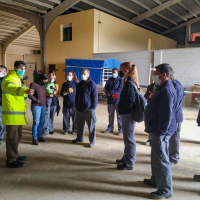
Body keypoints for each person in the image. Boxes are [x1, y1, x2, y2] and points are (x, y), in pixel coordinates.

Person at [143, 63, 177, 199]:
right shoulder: (161, 87)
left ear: (163, 75)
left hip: (161, 131)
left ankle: (165, 189)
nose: (154, 75)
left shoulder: (167, 90)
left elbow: (167, 115)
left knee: (162, 159)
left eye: (156, 73)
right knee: (156, 156)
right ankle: (156, 179)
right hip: (156, 129)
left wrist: (161, 133)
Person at [2, 60, 34, 168]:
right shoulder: (9, 79)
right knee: (12, 137)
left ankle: (15, 154)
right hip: (12, 114)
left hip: (18, 114)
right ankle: (11, 160)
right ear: (15, 68)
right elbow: (11, 89)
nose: (23, 70)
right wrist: (23, 91)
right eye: (21, 68)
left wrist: (26, 90)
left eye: (24, 69)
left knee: (17, 136)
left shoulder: (18, 80)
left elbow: (21, 88)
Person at [116, 62, 139, 170]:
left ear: (126, 70)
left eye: (121, 70)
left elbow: (130, 101)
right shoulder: (128, 81)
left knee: (129, 139)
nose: (119, 72)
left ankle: (129, 162)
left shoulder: (130, 83)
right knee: (127, 137)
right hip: (126, 114)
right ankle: (126, 157)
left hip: (128, 114)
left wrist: (122, 109)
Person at [72, 68, 98, 148]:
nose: (83, 75)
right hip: (79, 109)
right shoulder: (79, 84)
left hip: (89, 110)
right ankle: (80, 138)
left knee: (91, 126)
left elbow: (95, 97)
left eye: (84, 74)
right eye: (82, 74)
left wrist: (92, 108)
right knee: (79, 125)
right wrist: (76, 106)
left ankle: (92, 141)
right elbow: (77, 96)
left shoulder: (92, 84)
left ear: (88, 74)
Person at [28, 73, 49, 145]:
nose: (46, 82)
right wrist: (36, 100)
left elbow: (44, 96)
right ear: (41, 79)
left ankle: (40, 136)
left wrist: (46, 105)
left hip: (43, 106)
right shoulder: (33, 84)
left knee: (41, 122)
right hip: (36, 106)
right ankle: (34, 138)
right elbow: (30, 95)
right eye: (45, 80)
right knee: (36, 122)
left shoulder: (43, 85)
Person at [169, 71, 184, 165]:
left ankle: (174, 157)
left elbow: (174, 104)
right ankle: (170, 155)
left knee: (174, 138)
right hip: (171, 117)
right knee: (170, 138)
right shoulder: (173, 85)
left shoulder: (177, 86)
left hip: (175, 117)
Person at [104, 68, 123, 135]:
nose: (113, 74)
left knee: (119, 116)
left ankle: (120, 129)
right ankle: (110, 128)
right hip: (110, 101)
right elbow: (105, 88)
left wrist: (112, 93)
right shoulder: (109, 80)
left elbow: (120, 89)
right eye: (112, 72)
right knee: (111, 115)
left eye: (115, 72)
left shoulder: (121, 80)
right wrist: (107, 92)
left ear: (117, 73)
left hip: (118, 100)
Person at [144, 71, 160, 146]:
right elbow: (145, 96)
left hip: (158, 108)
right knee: (150, 123)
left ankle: (156, 140)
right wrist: (149, 96)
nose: (154, 77)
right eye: (153, 75)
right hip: (151, 107)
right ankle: (150, 139)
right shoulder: (150, 86)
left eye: (155, 75)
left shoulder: (162, 86)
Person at [0, 65, 7, 144]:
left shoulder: (9, 79)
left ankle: (1, 137)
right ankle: (0, 137)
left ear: (4, 71)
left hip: (8, 104)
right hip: (1, 103)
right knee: (0, 121)